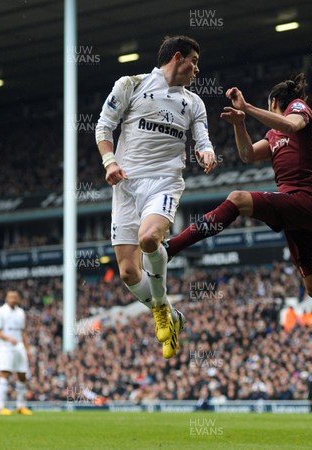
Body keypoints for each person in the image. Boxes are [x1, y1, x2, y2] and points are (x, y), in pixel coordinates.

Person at [165, 74, 312, 388]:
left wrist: (248, 106)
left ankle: (172, 247)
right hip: (297, 214)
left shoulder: (299, 110)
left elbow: (293, 126)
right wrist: (239, 123)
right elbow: (246, 154)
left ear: (275, 103)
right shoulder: (273, 134)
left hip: (305, 200)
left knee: (238, 199)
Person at [95, 35, 218, 359]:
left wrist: (206, 153)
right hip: (125, 186)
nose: (197, 69)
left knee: (149, 238)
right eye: (193, 61)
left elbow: (203, 139)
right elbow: (104, 127)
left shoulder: (193, 103)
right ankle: (169, 312)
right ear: (178, 57)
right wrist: (110, 162)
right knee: (128, 272)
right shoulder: (131, 85)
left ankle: (160, 307)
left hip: (163, 183)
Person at [0, 290, 33, 415]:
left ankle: (20, 406)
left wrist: (27, 348)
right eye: (10, 297)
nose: (13, 299)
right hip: (5, 347)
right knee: (4, 374)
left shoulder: (21, 313)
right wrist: (8, 338)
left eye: (15, 297)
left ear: (18, 298)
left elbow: (23, 332)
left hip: (19, 346)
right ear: (6, 298)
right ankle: (0, 407)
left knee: (22, 375)